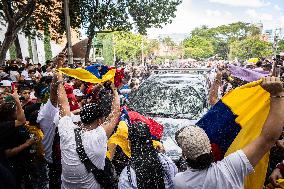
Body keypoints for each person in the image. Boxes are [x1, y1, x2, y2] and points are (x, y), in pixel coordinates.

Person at [174, 76, 284, 189]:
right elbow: (267, 139)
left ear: (184, 155)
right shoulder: (231, 168)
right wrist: (277, 94)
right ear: (210, 148)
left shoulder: (180, 181)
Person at [56, 64, 120, 188]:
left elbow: (63, 104)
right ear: (100, 121)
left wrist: (59, 79)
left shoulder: (66, 132)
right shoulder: (99, 137)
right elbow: (115, 112)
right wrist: (114, 89)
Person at [118, 122, 178, 189]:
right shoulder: (167, 161)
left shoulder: (127, 175)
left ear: (130, 143)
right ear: (150, 139)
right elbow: (175, 183)